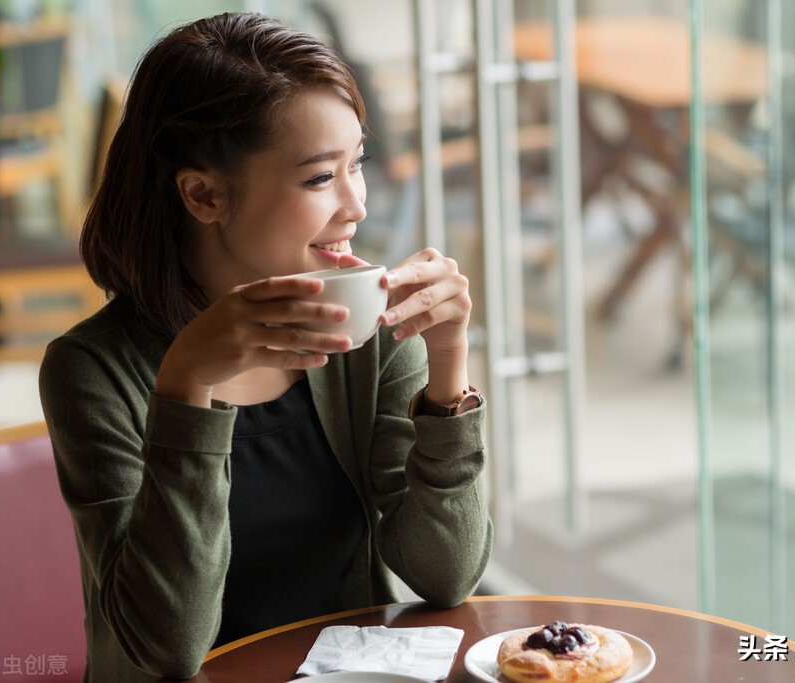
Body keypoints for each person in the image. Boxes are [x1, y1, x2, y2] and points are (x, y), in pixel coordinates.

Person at [39, 12, 492, 682]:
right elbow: (166, 647)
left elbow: (446, 574)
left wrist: (448, 368)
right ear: (202, 194)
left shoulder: (362, 331)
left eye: (356, 164)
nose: (356, 204)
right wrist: (186, 384)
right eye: (318, 178)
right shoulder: (94, 370)